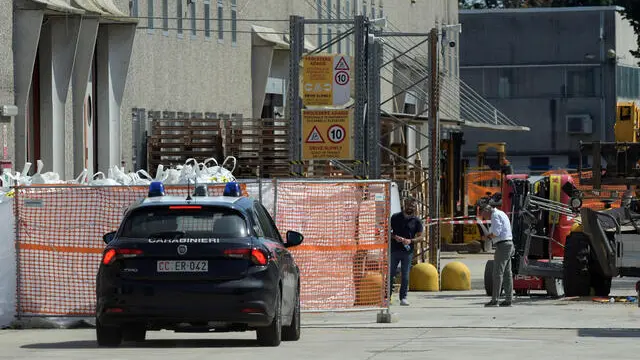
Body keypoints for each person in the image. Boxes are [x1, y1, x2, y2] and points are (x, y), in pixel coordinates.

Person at [389, 197, 423, 306]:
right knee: (391, 274)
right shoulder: (395, 217)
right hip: (394, 250)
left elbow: (421, 237)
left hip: (407, 252)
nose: (411, 208)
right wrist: (394, 237)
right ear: (405, 205)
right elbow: (387, 231)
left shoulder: (417, 221)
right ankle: (387, 297)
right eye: (409, 205)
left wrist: (410, 241)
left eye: (413, 206)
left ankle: (403, 297)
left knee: (405, 275)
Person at [480, 203, 514, 307]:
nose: (484, 217)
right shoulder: (501, 213)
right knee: (507, 274)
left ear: (486, 211)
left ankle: (495, 300)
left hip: (502, 246)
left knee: (497, 274)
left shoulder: (495, 216)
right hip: (509, 244)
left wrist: (487, 237)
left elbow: (496, 232)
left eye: (483, 214)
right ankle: (509, 299)